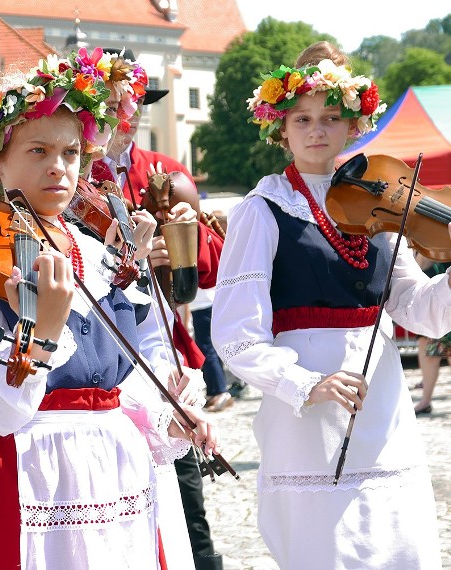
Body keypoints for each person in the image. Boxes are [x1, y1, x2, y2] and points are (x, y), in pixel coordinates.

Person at [0, 50, 217, 569]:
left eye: (70, 152)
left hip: (117, 463)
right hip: (32, 467)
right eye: (37, 150)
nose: (58, 167)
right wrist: (43, 333)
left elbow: (123, 377)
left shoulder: (98, 249)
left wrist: (166, 418)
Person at [212, 41, 445, 568]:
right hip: (306, 411)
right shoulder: (264, 208)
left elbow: (417, 308)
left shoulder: (385, 201)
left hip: (380, 398)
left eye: (331, 116)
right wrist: (304, 383)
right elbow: (236, 334)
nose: (317, 129)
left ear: (353, 125)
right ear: (281, 128)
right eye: (303, 118)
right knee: (324, 548)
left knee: (394, 543)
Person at [92, 50, 228, 570]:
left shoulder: (165, 173)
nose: (121, 120)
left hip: (161, 349)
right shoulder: (66, 179)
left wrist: (184, 245)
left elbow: (206, 274)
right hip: (101, 355)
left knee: (187, 499)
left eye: (129, 108)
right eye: (106, 109)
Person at [412, 254, 451, 415]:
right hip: (433, 290)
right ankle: (425, 400)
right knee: (428, 350)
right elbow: (420, 266)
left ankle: (425, 401)